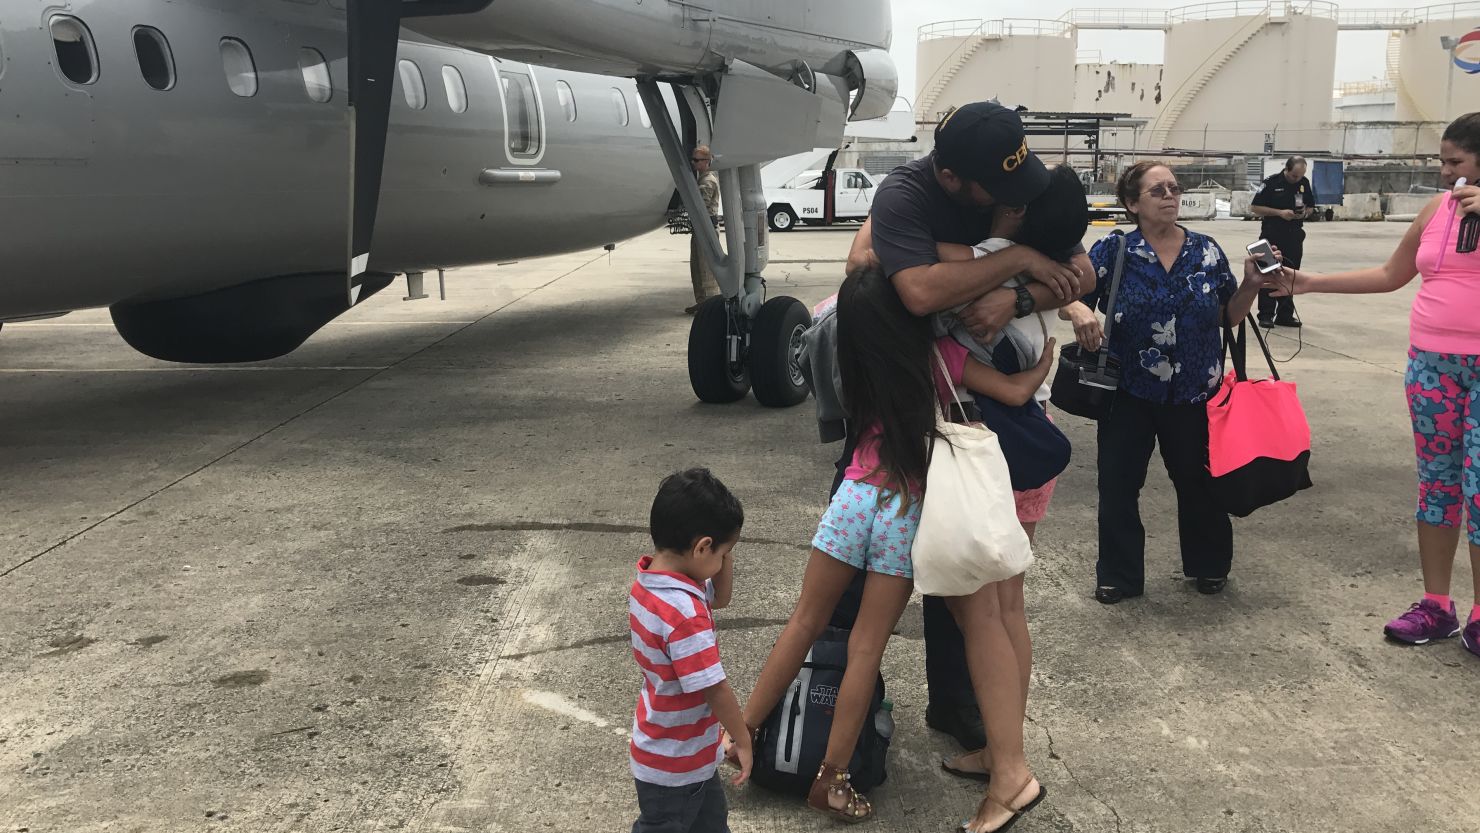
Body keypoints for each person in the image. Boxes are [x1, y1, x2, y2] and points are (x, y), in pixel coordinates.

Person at [737, 267, 1048, 831]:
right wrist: (1044, 360)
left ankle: (742, 733)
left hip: (854, 496)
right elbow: (1016, 391)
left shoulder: (851, 363)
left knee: (804, 622)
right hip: (907, 512)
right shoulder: (941, 358)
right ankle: (831, 778)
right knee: (865, 647)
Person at [838, 101, 1087, 751]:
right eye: (998, 191)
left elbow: (1080, 270)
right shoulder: (907, 195)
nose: (1014, 199)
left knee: (964, 566)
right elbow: (908, 284)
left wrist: (1020, 293)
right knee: (856, 567)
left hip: (982, 419)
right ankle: (844, 711)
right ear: (953, 178)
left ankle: (958, 704)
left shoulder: (1013, 190)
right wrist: (1016, 259)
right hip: (901, 410)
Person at [1273, 113, 1480, 659]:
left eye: (1454, 162)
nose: (1443, 174)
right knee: (1438, 483)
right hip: (1433, 365)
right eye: (1443, 161)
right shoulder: (1437, 211)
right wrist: (1307, 282)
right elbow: (1392, 275)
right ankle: (1438, 604)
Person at [1085, 162, 1270, 604]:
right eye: (1157, 190)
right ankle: (1119, 575)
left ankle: (1208, 566)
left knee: (1200, 482)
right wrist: (1077, 312)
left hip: (1194, 393)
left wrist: (1250, 284)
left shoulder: (1206, 251)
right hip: (1128, 390)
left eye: (1174, 187)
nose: (1170, 195)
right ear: (1133, 204)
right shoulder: (1114, 250)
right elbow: (1073, 293)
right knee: (1118, 484)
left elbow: (1228, 316)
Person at [629, 469, 750, 833]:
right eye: (723, 552)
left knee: (711, 823)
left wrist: (723, 556)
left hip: (685, 749)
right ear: (702, 547)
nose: (725, 560)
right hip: (674, 764)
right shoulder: (684, 615)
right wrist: (742, 736)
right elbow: (713, 687)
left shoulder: (654, 583)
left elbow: (722, 597)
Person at [1251, 156, 1317, 327]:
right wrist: (1279, 213)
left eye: (1301, 176)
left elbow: (1310, 206)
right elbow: (1255, 208)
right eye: (1295, 176)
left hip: (1294, 235)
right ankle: (1265, 314)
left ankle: (1285, 314)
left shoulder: (1304, 183)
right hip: (1272, 234)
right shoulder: (1271, 183)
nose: (1297, 179)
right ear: (1286, 169)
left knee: (1291, 274)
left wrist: (1304, 213)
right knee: (1268, 272)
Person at [687, 146, 722, 314]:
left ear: (707, 161)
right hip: (701, 228)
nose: (693, 163)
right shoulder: (704, 178)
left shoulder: (707, 181)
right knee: (697, 268)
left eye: (697, 160)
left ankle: (710, 305)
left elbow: (700, 205)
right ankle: (702, 302)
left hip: (706, 228)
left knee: (706, 269)